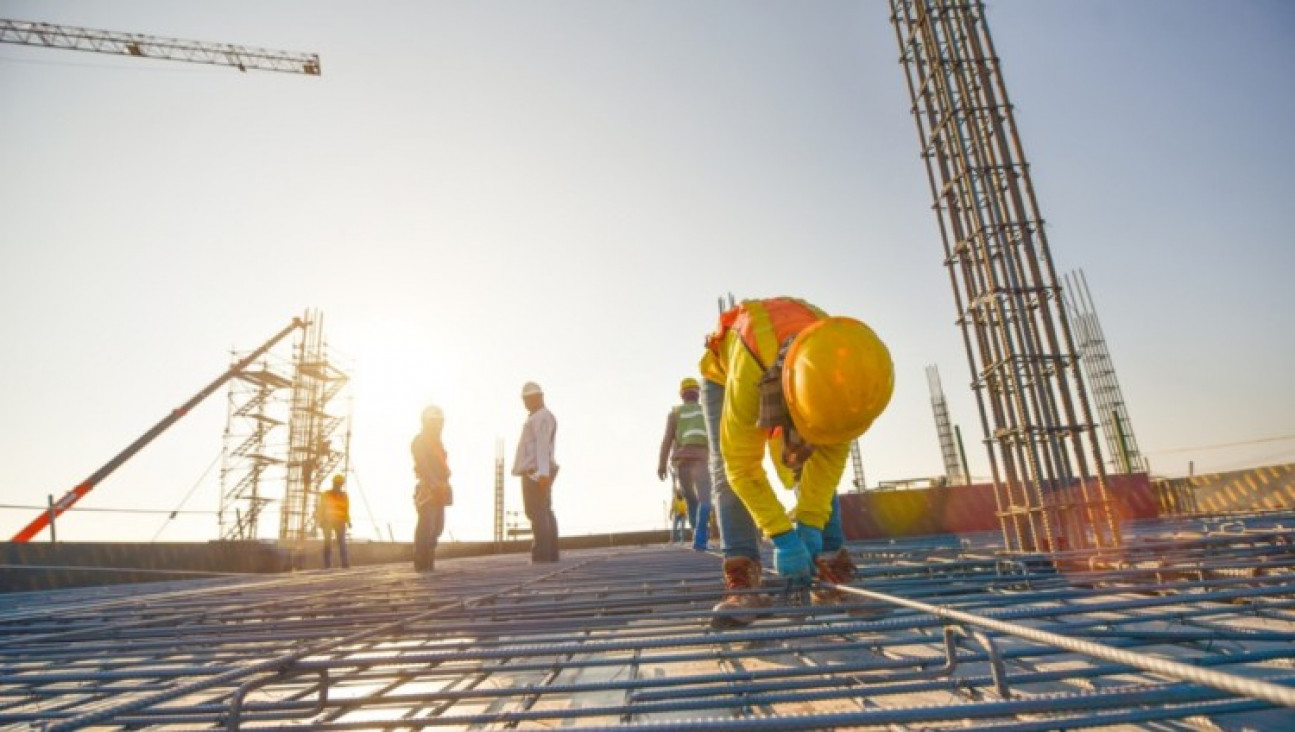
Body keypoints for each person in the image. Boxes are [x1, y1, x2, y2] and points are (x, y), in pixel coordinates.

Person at [699, 297, 893, 628]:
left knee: (815, 450)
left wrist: (811, 523)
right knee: (724, 468)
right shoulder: (750, 370)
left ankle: (830, 566)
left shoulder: (846, 371)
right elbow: (742, 468)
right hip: (730, 371)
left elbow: (829, 458)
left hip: (800, 365)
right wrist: (783, 536)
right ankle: (744, 579)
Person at [657, 377, 713, 550]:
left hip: (682, 462)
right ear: (698, 393)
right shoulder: (706, 411)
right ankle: (701, 536)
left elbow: (667, 440)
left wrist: (661, 464)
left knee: (691, 499)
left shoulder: (675, 412)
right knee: (705, 499)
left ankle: (697, 533)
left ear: (682, 395)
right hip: (702, 460)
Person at [511, 381, 560, 563]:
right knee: (544, 510)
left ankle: (542, 555)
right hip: (539, 471)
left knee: (537, 512)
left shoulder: (541, 417)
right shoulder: (539, 417)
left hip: (535, 472)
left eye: (529, 399)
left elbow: (541, 446)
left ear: (538, 397)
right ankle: (551, 554)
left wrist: (543, 474)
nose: (526, 403)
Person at [411, 404, 453, 572]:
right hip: (428, 488)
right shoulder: (420, 441)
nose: (437, 426)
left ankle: (428, 560)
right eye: (433, 422)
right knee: (427, 525)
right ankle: (422, 563)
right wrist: (433, 482)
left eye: (439, 422)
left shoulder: (438, 443)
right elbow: (422, 464)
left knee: (437, 526)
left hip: (440, 488)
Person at [318, 474, 351, 569]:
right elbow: (321, 508)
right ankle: (327, 564)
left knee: (342, 542)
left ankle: (345, 563)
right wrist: (321, 520)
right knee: (328, 542)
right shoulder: (326, 494)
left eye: (340, 484)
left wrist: (348, 521)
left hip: (340, 522)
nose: (338, 485)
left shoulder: (344, 496)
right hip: (328, 521)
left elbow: (346, 509)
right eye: (337, 483)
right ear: (333, 483)